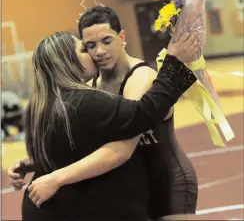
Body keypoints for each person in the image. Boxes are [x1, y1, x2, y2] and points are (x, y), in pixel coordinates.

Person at [9, 29, 197, 221]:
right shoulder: (83, 102)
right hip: (74, 209)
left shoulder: (38, 107)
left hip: (43, 209)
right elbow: (143, 113)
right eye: (84, 49)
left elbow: (72, 149)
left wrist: (34, 163)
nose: (93, 54)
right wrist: (174, 62)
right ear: (68, 62)